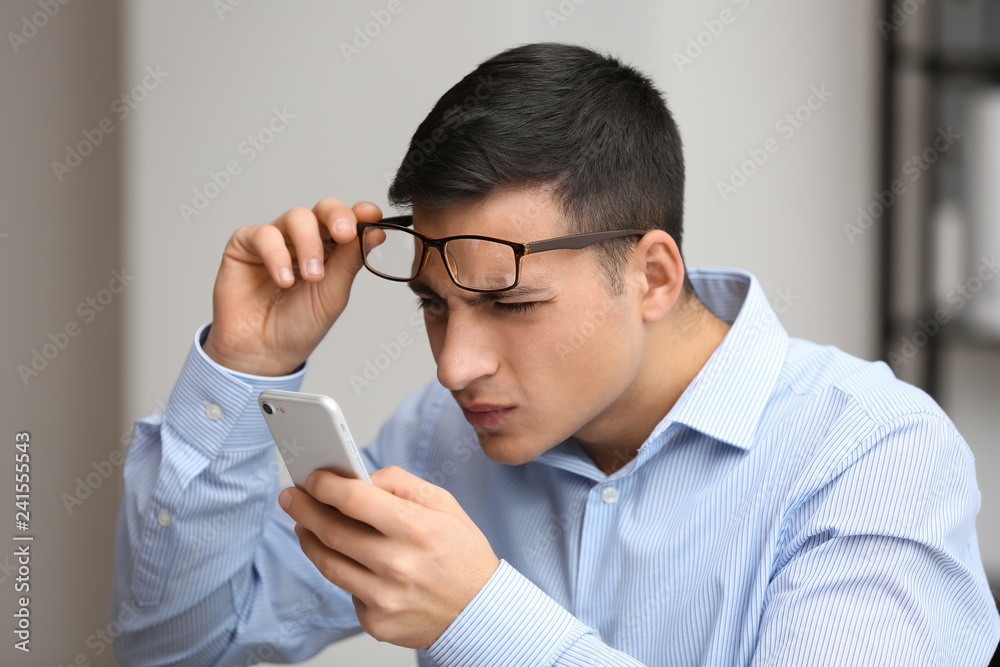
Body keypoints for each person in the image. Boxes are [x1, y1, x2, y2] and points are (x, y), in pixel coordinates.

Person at [111, 42, 1000, 666]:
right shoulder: (439, 438)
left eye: (513, 304)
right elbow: (180, 646)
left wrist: (480, 618)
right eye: (433, 306)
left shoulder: (871, 456)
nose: (455, 367)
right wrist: (246, 364)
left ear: (653, 275)